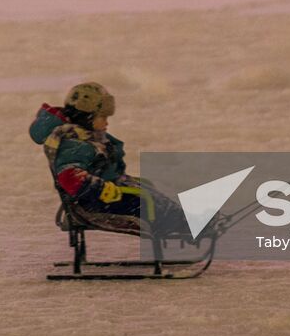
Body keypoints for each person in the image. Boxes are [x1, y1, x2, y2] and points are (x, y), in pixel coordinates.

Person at [29, 82, 192, 237]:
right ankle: (187, 224)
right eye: (102, 117)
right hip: (96, 203)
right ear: (87, 118)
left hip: (104, 197)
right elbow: (70, 177)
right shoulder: (74, 145)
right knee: (146, 203)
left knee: (151, 194)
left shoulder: (86, 139)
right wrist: (103, 189)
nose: (107, 122)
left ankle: (188, 220)